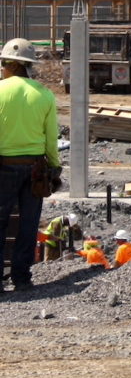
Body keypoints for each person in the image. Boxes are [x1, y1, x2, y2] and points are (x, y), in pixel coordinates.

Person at [0, 38, 62, 292]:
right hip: (36, 168)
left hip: (4, 167)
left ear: (8, 64)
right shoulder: (44, 94)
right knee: (28, 223)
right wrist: (55, 166)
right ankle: (22, 277)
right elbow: (51, 137)